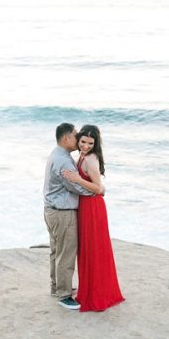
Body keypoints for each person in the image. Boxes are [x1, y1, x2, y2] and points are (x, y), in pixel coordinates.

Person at [62, 125, 124, 312]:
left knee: (94, 249)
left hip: (93, 207)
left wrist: (76, 179)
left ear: (95, 144)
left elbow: (97, 188)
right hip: (85, 206)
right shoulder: (81, 156)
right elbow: (100, 187)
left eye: (90, 143)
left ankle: (97, 294)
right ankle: (88, 289)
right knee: (87, 249)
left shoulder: (91, 159)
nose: (86, 146)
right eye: (83, 142)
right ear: (78, 140)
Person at [43, 123, 103, 310]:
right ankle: (64, 294)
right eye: (76, 136)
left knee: (56, 251)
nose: (78, 139)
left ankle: (56, 286)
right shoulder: (63, 161)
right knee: (66, 253)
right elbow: (75, 187)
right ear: (66, 138)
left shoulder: (58, 154)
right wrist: (98, 192)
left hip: (52, 210)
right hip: (63, 213)